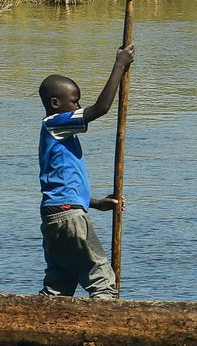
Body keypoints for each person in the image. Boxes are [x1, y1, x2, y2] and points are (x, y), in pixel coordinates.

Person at [36, 44, 134, 298]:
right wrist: (119, 65)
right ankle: (107, 318)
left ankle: (41, 319)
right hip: (69, 217)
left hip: (55, 216)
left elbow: (61, 185)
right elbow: (101, 108)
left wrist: (96, 203)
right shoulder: (56, 124)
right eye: (74, 101)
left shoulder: (55, 134)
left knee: (59, 284)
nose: (78, 106)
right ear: (55, 103)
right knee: (102, 278)